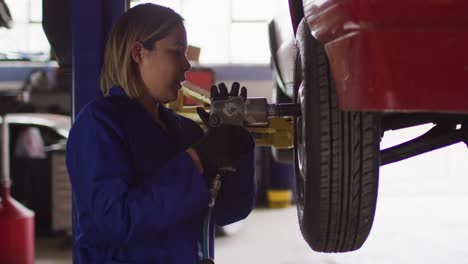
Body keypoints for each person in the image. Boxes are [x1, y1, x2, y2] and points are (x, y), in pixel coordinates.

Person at [66, 3, 256, 264]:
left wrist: (235, 150)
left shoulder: (184, 130)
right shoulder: (99, 124)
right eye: (177, 52)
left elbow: (227, 212)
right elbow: (117, 220)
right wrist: (198, 159)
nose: (187, 65)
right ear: (138, 52)